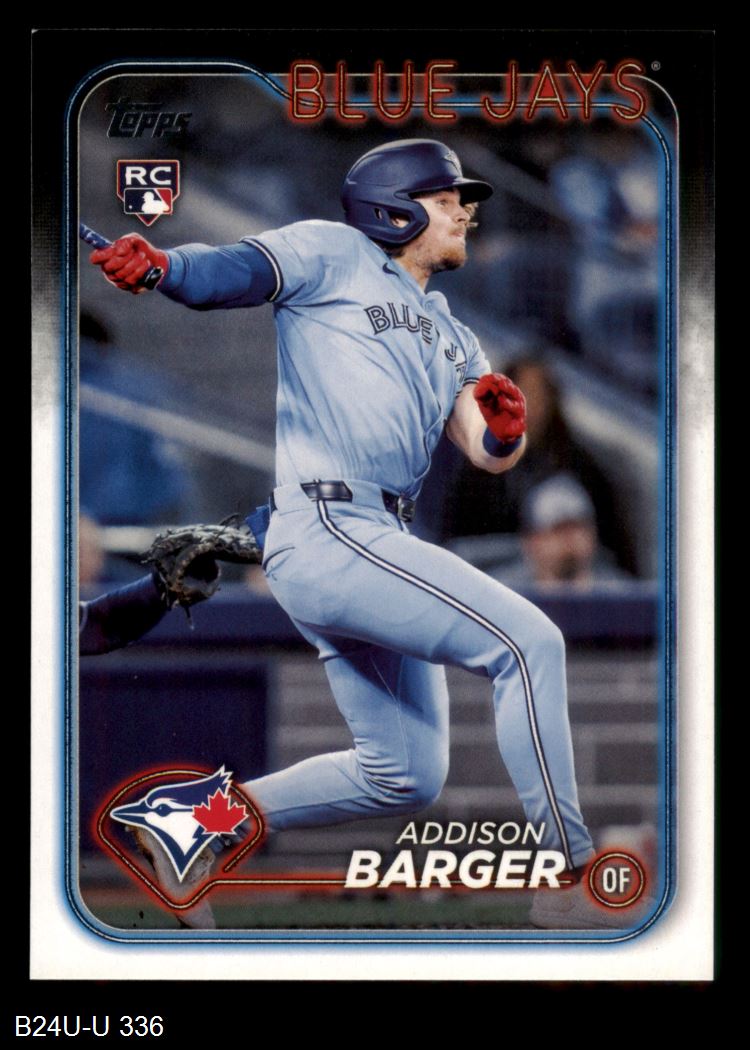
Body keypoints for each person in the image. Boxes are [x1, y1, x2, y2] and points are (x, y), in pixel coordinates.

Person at [90, 138, 645, 932]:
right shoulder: (334, 251)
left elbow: (486, 450)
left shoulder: (453, 330)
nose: (466, 211)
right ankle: (568, 873)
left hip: (374, 536)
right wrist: (166, 268)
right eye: (448, 199)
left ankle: (193, 824)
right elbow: (233, 270)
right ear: (394, 208)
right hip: (327, 521)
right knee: (529, 645)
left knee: (405, 773)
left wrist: (504, 429)